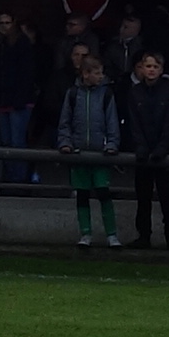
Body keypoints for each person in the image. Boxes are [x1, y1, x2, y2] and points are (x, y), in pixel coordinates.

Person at [121, 44, 169, 250]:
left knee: (168, 197)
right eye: (148, 66)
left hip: (164, 154)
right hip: (143, 153)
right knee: (143, 197)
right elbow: (133, 123)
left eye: (155, 66)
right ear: (141, 68)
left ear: (161, 69)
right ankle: (144, 235)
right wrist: (140, 146)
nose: (151, 70)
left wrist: (162, 148)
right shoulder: (134, 92)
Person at [56, 44, 120, 251]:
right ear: (85, 74)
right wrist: (65, 143)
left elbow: (112, 122)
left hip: (100, 154)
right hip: (79, 153)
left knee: (104, 193)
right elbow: (65, 122)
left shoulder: (107, 94)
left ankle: (112, 235)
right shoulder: (73, 94)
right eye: (97, 73)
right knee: (82, 194)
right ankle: (85, 233)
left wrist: (112, 144)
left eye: (101, 73)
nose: (101, 77)